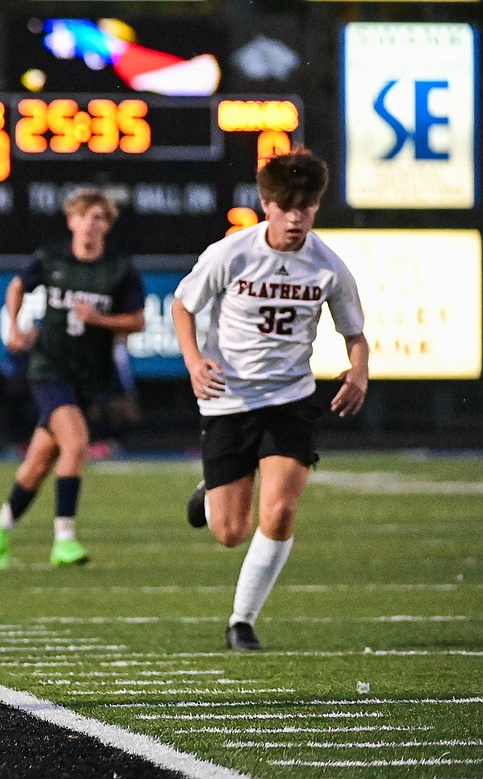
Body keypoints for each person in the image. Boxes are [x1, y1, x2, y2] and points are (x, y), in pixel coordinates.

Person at [171, 148, 369, 652]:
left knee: (279, 512)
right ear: (267, 204)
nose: (297, 216)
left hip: (290, 399)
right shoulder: (231, 253)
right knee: (230, 533)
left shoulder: (327, 265)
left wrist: (359, 371)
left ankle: (242, 621)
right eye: (288, 205)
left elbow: (355, 334)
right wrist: (194, 361)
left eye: (308, 205)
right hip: (229, 399)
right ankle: (211, 493)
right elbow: (183, 305)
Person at [0, 187, 144, 569]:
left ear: (108, 225)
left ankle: (1, 522)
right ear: (71, 220)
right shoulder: (52, 259)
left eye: (100, 217)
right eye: (85, 216)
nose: (92, 223)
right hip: (49, 369)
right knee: (76, 444)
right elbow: (18, 284)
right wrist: (17, 324)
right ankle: (64, 539)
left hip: (89, 375)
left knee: (39, 463)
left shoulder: (119, 268)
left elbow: (137, 321)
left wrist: (100, 319)